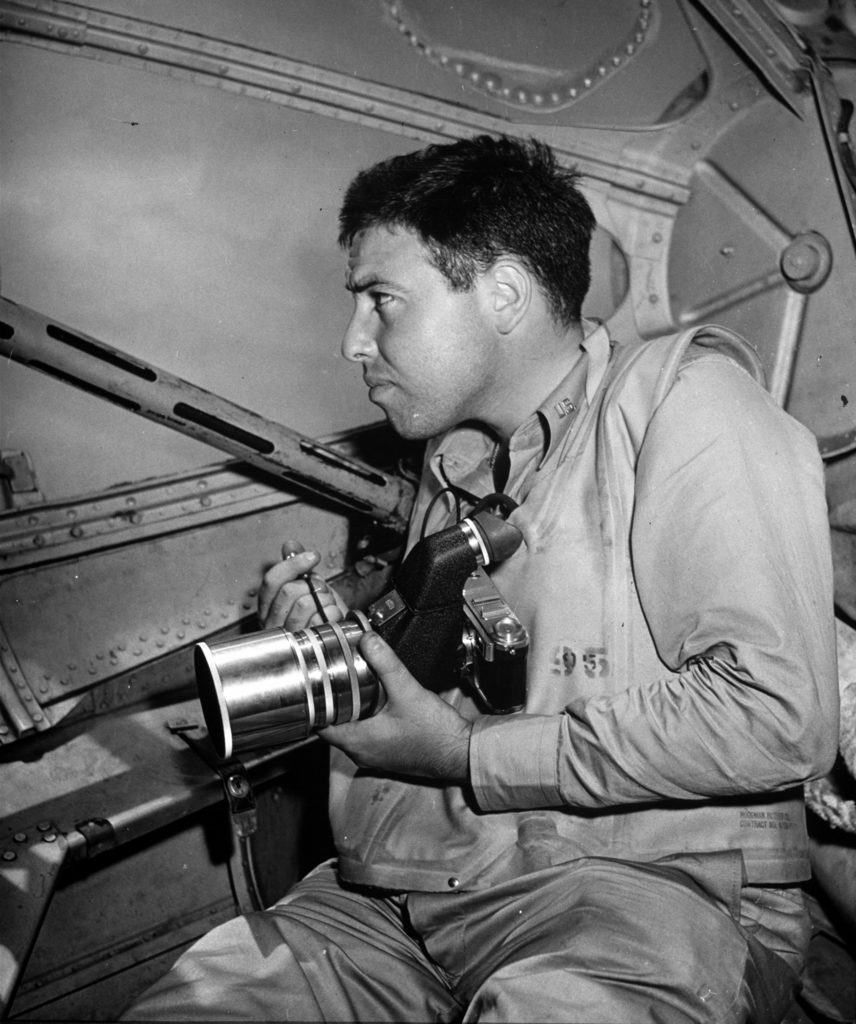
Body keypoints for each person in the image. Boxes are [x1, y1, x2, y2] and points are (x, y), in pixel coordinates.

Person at [125, 134, 839, 1023]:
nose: (355, 342)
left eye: (382, 300)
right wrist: (338, 630)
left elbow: (777, 716)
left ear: (502, 292)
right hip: (397, 898)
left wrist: (469, 757)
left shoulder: (686, 404)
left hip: (638, 900)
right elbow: (440, 677)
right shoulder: (456, 464)